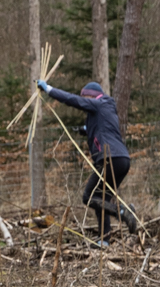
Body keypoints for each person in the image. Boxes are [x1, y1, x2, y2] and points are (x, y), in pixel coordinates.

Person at [39, 78, 138, 237]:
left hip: (109, 158)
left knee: (89, 197)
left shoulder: (98, 103)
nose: (84, 102)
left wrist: (49, 89)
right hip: (122, 159)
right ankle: (104, 238)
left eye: (85, 98)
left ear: (91, 96)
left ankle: (123, 212)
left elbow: (73, 100)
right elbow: (104, 126)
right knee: (101, 199)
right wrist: (87, 129)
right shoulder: (106, 107)